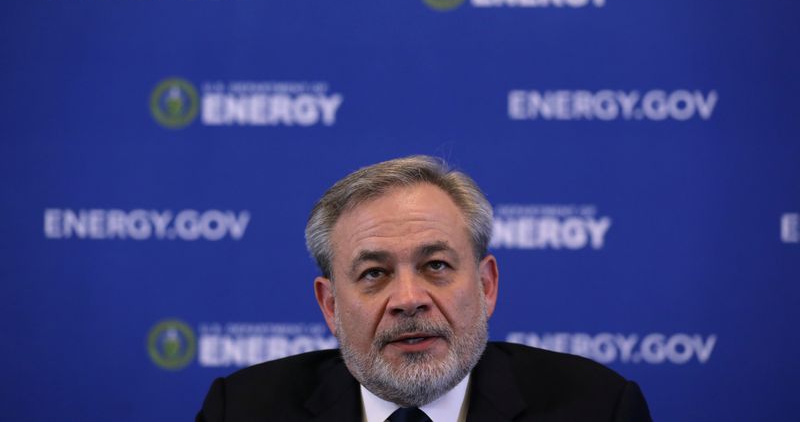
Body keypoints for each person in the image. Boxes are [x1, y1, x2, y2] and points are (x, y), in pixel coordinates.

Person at [197, 156, 652, 421]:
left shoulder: (598, 409)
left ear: (486, 284)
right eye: (374, 273)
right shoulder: (239, 411)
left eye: (436, 265)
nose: (409, 299)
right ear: (330, 304)